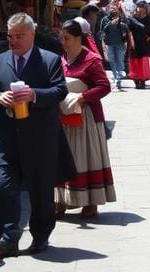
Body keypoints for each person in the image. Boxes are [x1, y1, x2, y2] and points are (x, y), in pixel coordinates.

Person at [0, 13, 76, 257]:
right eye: (10, 36)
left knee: (40, 190)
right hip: (7, 137)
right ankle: (8, 237)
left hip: (40, 138)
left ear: (32, 34)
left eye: (18, 36)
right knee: (4, 185)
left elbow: (59, 90)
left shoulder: (49, 60)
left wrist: (34, 95)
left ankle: (41, 235)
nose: (13, 40)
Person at [55, 20, 116, 218]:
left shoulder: (91, 60)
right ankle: (61, 200)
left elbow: (104, 86)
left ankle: (90, 202)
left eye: (67, 38)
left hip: (86, 117)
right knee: (64, 158)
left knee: (86, 158)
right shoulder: (60, 59)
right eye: (61, 38)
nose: (63, 42)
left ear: (79, 38)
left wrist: (83, 98)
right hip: (64, 115)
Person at [100, 1, 133, 90]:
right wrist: (103, 46)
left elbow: (127, 32)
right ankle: (116, 76)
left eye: (114, 9)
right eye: (111, 9)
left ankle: (117, 78)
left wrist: (128, 43)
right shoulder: (105, 20)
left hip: (120, 45)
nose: (112, 10)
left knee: (119, 61)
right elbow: (102, 32)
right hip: (109, 44)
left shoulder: (122, 20)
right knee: (112, 61)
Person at [127, 0, 150, 89]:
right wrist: (131, 42)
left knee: (143, 62)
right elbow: (129, 31)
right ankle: (136, 80)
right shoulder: (132, 18)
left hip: (144, 43)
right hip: (134, 42)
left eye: (142, 7)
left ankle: (142, 81)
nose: (140, 9)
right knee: (134, 62)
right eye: (139, 7)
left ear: (146, 8)